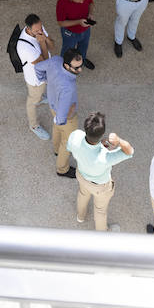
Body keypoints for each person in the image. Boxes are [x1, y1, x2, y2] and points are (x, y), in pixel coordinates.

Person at [66, 111, 134, 231]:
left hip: (81, 176)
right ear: (102, 134)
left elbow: (70, 147)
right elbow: (129, 151)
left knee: (83, 194)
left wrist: (98, 145)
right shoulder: (106, 157)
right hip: (100, 187)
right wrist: (119, 140)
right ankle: (102, 233)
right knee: (100, 210)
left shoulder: (75, 136)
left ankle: (80, 216)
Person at [36, 49, 83, 178]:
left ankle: (56, 150)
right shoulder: (68, 86)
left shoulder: (55, 60)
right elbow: (63, 113)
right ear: (67, 65)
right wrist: (65, 117)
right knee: (67, 142)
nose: (80, 70)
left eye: (80, 66)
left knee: (57, 127)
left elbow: (38, 67)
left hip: (53, 106)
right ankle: (62, 169)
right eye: (77, 68)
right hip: (66, 116)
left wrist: (44, 79)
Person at [16, 14, 54, 140]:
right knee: (32, 101)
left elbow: (52, 46)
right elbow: (45, 62)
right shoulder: (25, 47)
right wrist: (42, 42)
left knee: (39, 93)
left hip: (43, 73)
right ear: (28, 29)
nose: (40, 31)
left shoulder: (38, 29)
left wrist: (46, 39)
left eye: (41, 28)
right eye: (37, 30)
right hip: (35, 78)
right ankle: (33, 125)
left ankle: (40, 98)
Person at [55, 0, 96, 71]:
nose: (82, 2)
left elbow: (91, 3)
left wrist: (90, 13)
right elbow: (61, 23)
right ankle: (65, 67)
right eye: (79, 0)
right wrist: (79, 22)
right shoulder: (62, 3)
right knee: (68, 51)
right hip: (70, 34)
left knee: (83, 47)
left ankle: (81, 61)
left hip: (85, 30)